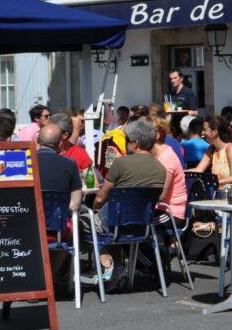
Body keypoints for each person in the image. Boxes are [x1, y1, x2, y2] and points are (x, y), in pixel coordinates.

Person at [91, 119, 168, 288]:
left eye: (126, 140)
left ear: (136, 143)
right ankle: (117, 269)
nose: (124, 144)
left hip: (114, 222)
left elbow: (101, 196)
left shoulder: (121, 163)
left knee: (83, 223)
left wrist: (94, 210)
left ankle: (109, 267)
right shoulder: (160, 168)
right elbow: (159, 196)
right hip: (143, 224)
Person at [35, 123, 82, 275]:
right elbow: (75, 204)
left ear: (37, 140)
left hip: (26, 228)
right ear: (60, 143)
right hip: (57, 230)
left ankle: (35, 278)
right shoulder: (69, 164)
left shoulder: (24, 162)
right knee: (71, 228)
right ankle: (50, 278)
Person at [193, 115, 232, 188]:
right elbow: (198, 170)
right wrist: (180, 172)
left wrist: (211, 182)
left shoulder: (230, 148)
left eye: (205, 129)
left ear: (215, 132)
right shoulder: (211, 148)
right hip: (219, 194)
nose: (202, 133)